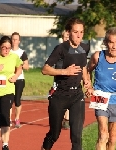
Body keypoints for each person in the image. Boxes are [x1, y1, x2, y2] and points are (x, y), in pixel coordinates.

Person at [41, 17, 91, 150]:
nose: (79, 35)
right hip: (59, 96)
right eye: (75, 32)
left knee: (76, 136)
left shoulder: (84, 48)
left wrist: (87, 81)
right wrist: (65, 71)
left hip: (77, 95)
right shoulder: (61, 48)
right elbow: (45, 69)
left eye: (81, 32)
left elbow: (83, 67)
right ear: (68, 32)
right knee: (54, 134)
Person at [86, 27, 116, 150]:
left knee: (113, 139)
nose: (114, 46)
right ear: (105, 42)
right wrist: (88, 86)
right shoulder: (98, 56)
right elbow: (87, 70)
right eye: (111, 42)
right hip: (100, 96)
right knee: (103, 135)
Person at [10, 32, 29, 128]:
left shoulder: (22, 53)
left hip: (19, 79)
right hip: (9, 78)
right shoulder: (7, 51)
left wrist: (20, 63)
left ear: (19, 41)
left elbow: (27, 66)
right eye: (13, 39)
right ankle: (8, 119)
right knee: (8, 100)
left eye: (16, 39)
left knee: (17, 100)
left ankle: (17, 118)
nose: (14, 41)